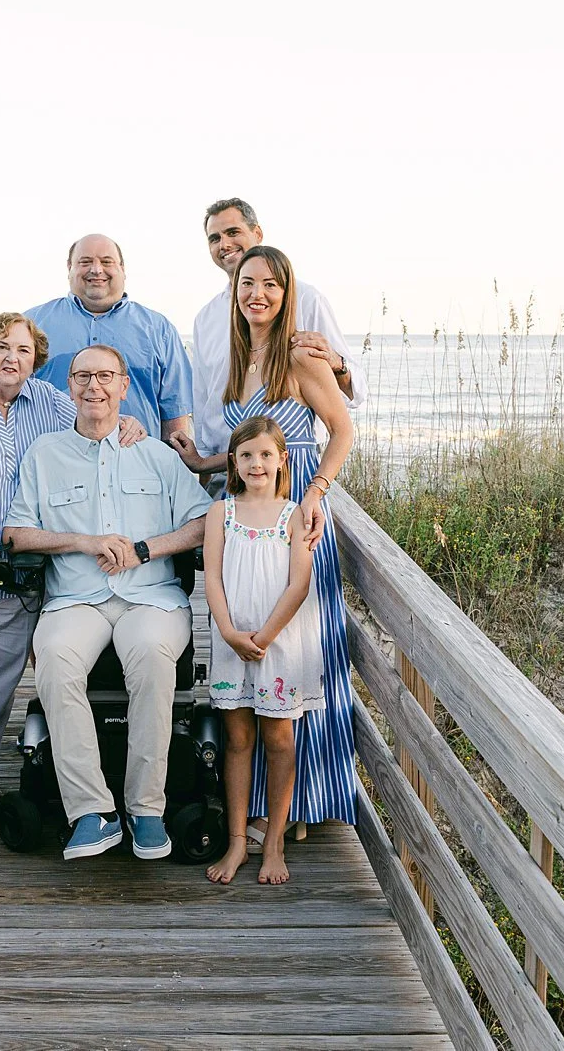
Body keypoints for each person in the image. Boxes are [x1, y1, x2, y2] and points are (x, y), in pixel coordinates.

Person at [0, 313, 146, 819]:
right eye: (3, 347)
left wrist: (130, 424)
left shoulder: (47, 402)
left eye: (23, 351)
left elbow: (95, 416)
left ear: (35, 361)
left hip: (23, 572)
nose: (12, 358)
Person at [2, 345, 212, 862]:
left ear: (123, 385)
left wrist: (146, 549)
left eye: (104, 376)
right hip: (76, 599)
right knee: (54, 657)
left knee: (152, 657)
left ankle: (146, 809)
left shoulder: (156, 455)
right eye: (82, 376)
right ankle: (92, 812)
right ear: (69, 386)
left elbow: (204, 521)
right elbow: (16, 532)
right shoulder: (44, 454)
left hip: (151, 597)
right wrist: (82, 541)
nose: (93, 386)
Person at [186, 246, 359, 830]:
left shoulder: (300, 355)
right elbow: (252, 445)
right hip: (251, 514)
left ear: (287, 294)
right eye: (247, 283)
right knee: (255, 643)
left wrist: (316, 493)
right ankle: (259, 806)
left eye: (270, 284)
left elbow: (342, 430)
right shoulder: (240, 361)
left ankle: (304, 804)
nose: (256, 294)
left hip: (297, 508)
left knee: (299, 650)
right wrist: (202, 462)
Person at [200, 416, 322, 886]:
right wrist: (229, 632)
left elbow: (299, 583)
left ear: (282, 460)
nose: (257, 463)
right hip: (233, 641)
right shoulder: (221, 513)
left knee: (279, 739)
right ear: (233, 462)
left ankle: (273, 841)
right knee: (237, 739)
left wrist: (266, 636)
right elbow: (212, 578)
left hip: (279, 642)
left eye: (266, 454)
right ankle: (237, 841)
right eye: (247, 455)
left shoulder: (294, 515)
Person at [185, 198, 358, 474]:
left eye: (232, 232)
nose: (224, 244)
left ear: (257, 233)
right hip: (226, 469)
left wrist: (337, 364)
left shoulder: (306, 299)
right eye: (214, 238)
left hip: (291, 469)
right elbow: (203, 399)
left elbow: (352, 399)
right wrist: (203, 465)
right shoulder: (205, 318)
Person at [26, 234, 195, 450]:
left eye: (106, 262)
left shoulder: (159, 330)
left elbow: (175, 413)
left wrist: (172, 464)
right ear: (69, 268)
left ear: (122, 269)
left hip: (138, 463)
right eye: (85, 261)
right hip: (55, 461)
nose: (96, 270)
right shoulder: (32, 326)